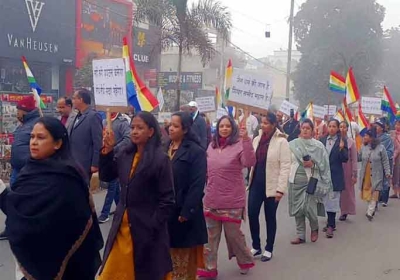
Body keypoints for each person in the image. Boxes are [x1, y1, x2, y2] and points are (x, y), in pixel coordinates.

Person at [0, 117, 103, 279]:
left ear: (58, 143)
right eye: (32, 137)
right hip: (28, 263)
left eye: (41, 138)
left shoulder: (68, 177)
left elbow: (72, 224)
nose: (33, 142)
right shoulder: (28, 172)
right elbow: (17, 211)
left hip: (66, 266)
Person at [98, 111, 175, 280]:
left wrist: (153, 224)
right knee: (112, 273)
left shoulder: (160, 159)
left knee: (143, 273)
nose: (134, 131)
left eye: (140, 128)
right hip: (121, 227)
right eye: (132, 127)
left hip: (147, 230)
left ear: (151, 132)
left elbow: (167, 199)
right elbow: (106, 176)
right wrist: (107, 151)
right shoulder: (125, 154)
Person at [198, 116, 256, 278]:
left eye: (228, 126)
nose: (224, 129)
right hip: (211, 199)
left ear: (233, 129)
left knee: (234, 235)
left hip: (232, 201)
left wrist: (246, 141)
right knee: (209, 238)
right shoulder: (211, 146)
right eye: (221, 126)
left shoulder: (239, 145)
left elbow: (249, 162)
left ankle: (244, 260)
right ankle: (209, 268)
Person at [167, 112, 207, 280]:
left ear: (185, 129)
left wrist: (186, 211)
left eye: (175, 126)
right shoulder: (164, 147)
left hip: (184, 214)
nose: (171, 128)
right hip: (165, 211)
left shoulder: (195, 151)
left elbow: (197, 185)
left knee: (183, 260)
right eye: (170, 125)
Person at [248, 113, 291, 261]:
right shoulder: (256, 139)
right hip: (256, 183)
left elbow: (286, 166)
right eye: (262, 123)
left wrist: (281, 189)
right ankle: (256, 246)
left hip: (272, 186)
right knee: (252, 214)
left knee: (269, 217)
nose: (263, 125)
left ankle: (269, 248)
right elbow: (249, 159)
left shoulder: (282, 142)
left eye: (266, 123)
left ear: (273, 124)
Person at [1, 96, 40, 241]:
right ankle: (11, 227)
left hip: (28, 170)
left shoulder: (36, 125)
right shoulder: (23, 124)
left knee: (24, 202)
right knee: (12, 199)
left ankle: (27, 229)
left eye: (18, 110)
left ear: (25, 110)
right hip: (17, 170)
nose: (17, 113)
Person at [288, 119, 331, 245]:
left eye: (308, 128)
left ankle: (314, 227)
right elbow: (287, 161)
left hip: (310, 180)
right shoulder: (293, 144)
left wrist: (313, 164)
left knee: (309, 207)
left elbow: (324, 165)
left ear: (312, 130)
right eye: (303, 128)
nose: (305, 130)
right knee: (297, 209)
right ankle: (300, 235)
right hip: (295, 180)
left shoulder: (318, 146)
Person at [98, 112, 131, 223]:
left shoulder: (122, 122)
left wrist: (114, 147)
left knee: (112, 186)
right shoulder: (104, 121)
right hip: (107, 157)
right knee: (115, 187)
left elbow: (128, 139)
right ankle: (122, 208)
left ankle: (104, 213)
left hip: (118, 157)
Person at [320, 119, 348, 238]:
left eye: (334, 126)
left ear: (337, 128)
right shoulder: (322, 140)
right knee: (326, 199)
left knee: (333, 199)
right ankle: (330, 222)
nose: (331, 128)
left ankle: (331, 225)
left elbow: (345, 159)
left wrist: (342, 149)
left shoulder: (342, 141)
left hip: (335, 175)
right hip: (324, 175)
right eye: (330, 126)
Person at [70, 88, 103, 180]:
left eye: (74, 98)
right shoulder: (78, 115)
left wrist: (95, 163)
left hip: (85, 162)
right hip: (73, 161)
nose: (73, 101)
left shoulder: (93, 116)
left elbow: (97, 141)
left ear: (81, 100)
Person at [359, 128, 391, 221]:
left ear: (371, 137)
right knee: (367, 192)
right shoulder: (363, 147)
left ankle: (370, 211)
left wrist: (388, 172)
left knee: (375, 192)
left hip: (377, 174)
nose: (364, 137)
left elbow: (385, 161)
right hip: (366, 173)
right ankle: (370, 208)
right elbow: (359, 157)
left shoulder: (381, 148)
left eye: (366, 136)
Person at [339, 121, 358, 221]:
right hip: (337, 168)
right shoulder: (335, 141)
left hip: (347, 169)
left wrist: (354, 174)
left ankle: (345, 211)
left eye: (344, 127)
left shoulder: (351, 142)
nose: (342, 129)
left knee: (347, 191)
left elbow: (354, 159)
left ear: (347, 129)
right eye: (340, 127)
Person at [374, 119, 394, 207]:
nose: (375, 128)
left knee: (385, 180)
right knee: (377, 180)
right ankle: (377, 198)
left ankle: (384, 199)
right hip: (376, 161)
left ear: (382, 128)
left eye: (377, 126)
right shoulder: (373, 137)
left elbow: (389, 151)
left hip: (386, 161)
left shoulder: (387, 138)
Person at [390, 120, 400, 199]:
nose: (397, 126)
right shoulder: (393, 134)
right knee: (394, 174)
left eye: (398, 125)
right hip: (394, 156)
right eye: (396, 124)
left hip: (398, 156)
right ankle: (395, 192)